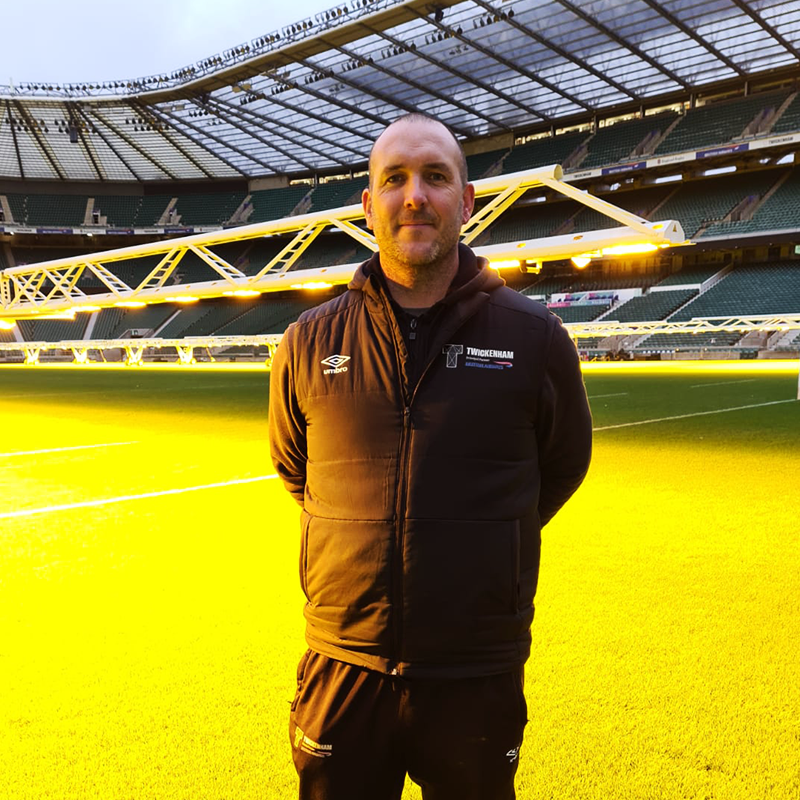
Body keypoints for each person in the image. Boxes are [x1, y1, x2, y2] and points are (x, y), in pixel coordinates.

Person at [269, 113, 593, 800]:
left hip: (476, 666)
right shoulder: (308, 340)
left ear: (466, 201)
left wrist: (487, 535)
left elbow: (563, 464)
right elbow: (295, 467)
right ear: (368, 206)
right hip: (344, 660)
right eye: (395, 179)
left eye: (435, 177)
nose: (414, 196)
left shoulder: (535, 336)